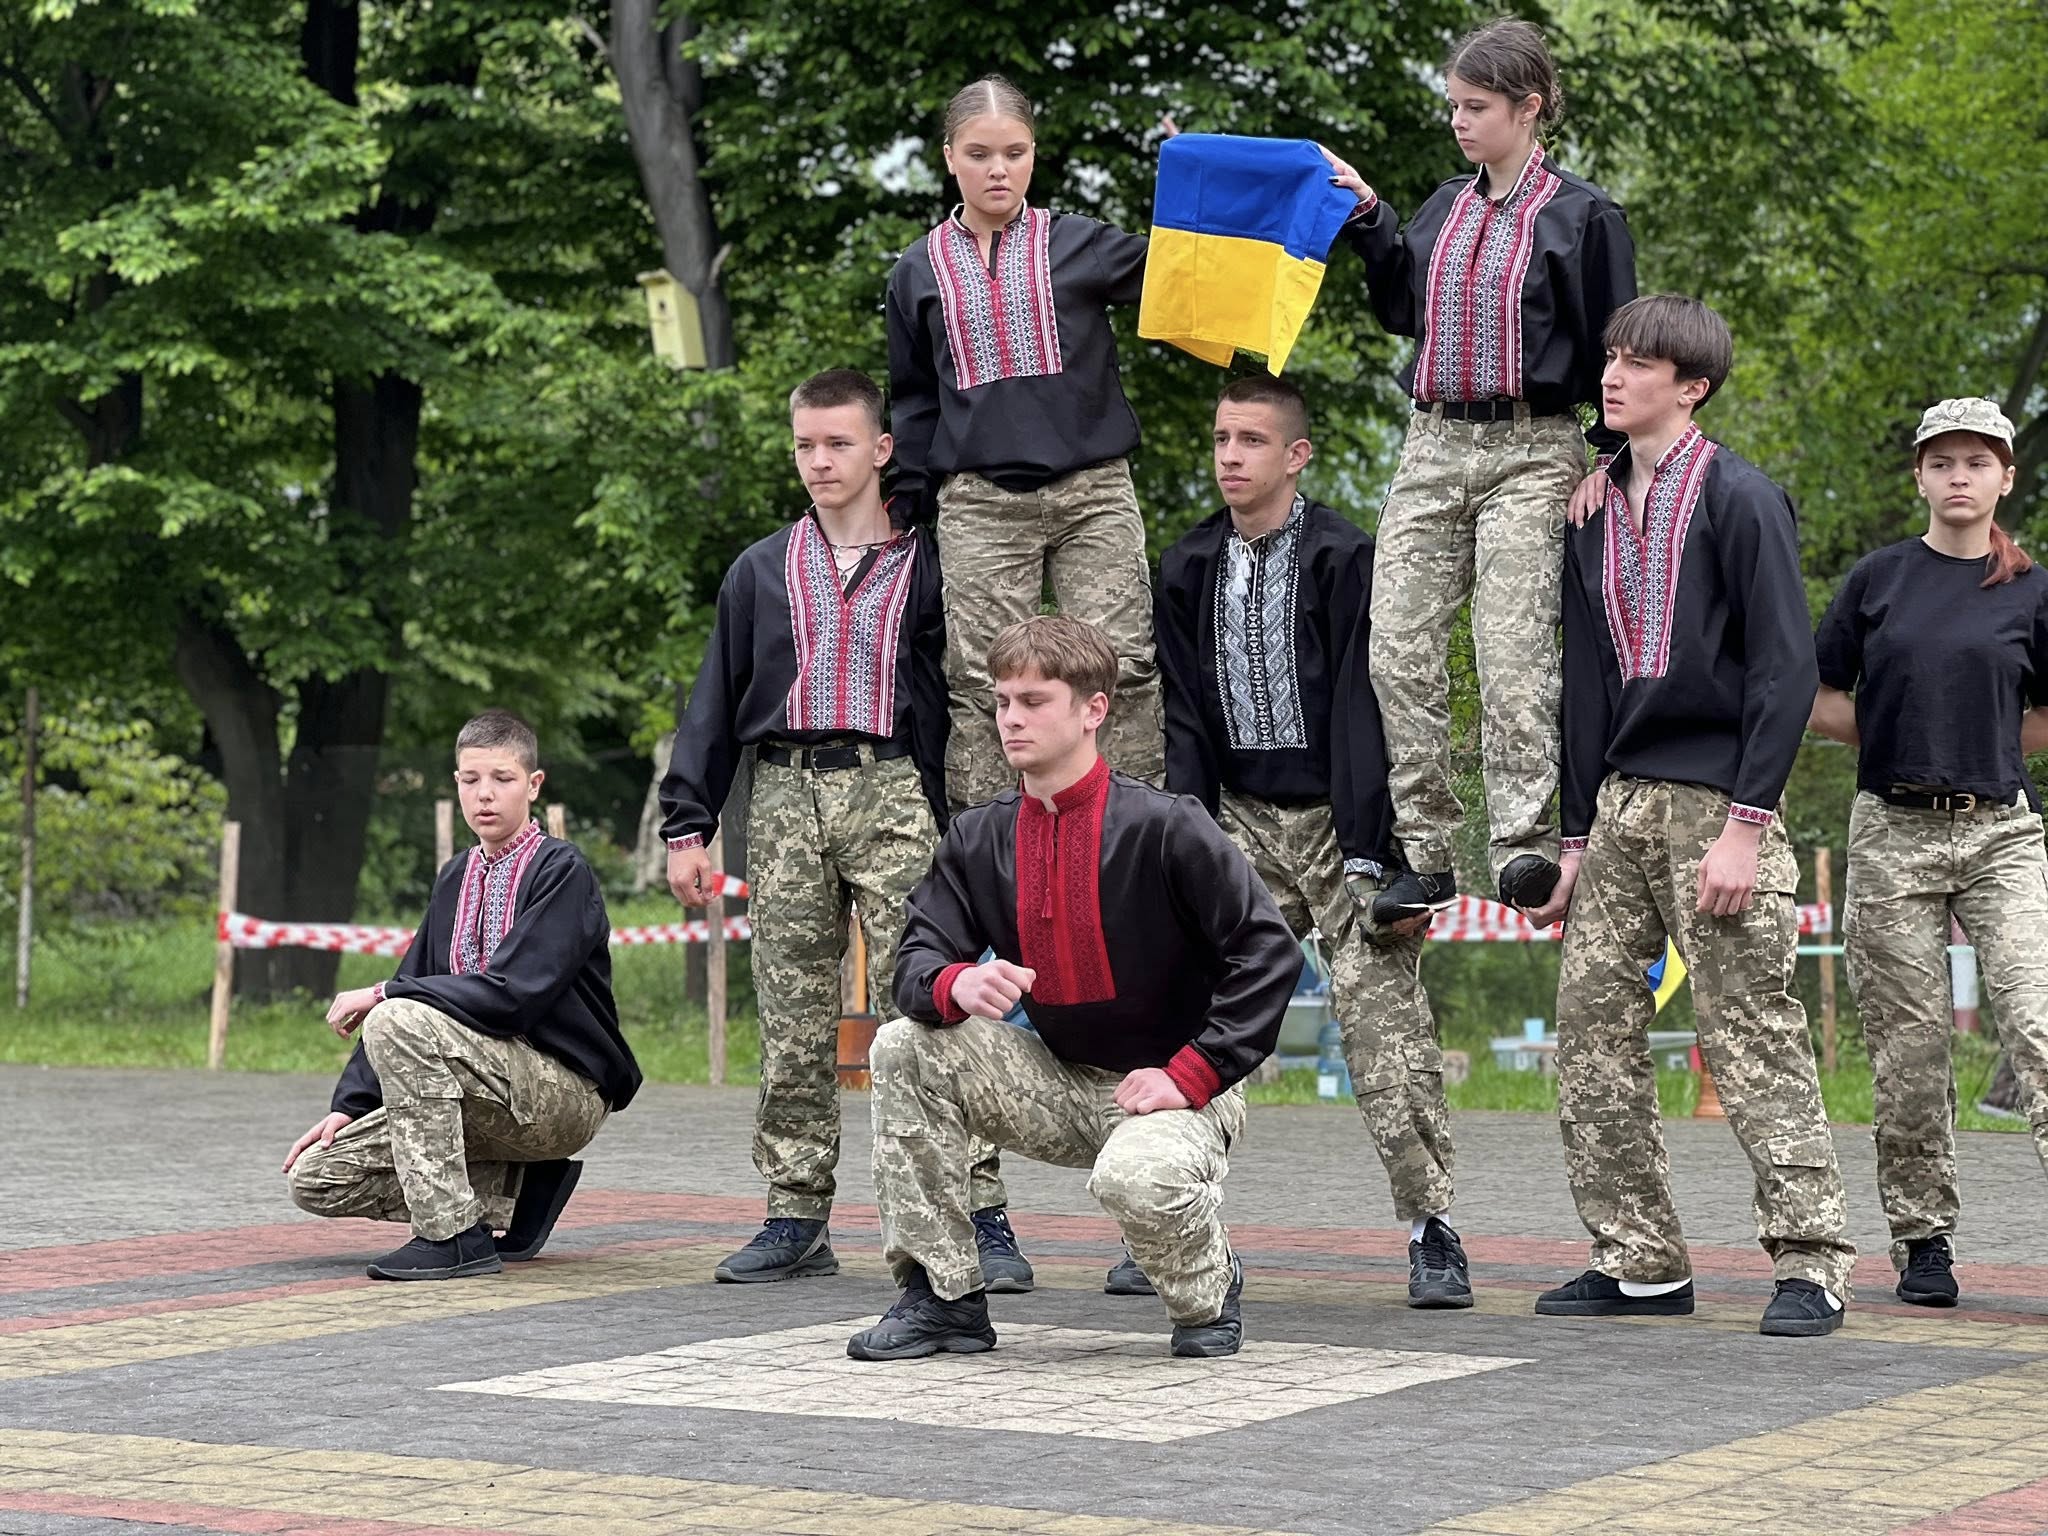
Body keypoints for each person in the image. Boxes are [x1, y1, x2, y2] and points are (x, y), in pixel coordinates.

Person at [1529, 293, 1856, 1337]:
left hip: (1719, 804)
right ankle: (1639, 1260)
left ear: (1693, 387)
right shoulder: (1587, 512)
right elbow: (1586, 686)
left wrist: (1746, 825)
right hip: (1619, 807)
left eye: (1638, 363)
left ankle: (1810, 1263)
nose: (1611, 375)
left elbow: (1784, 670)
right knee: (1589, 1032)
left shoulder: (1740, 497)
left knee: (1749, 1031)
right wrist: (1573, 841)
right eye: (1610, 357)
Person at [660, 369, 1029, 1290]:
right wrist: (687, 825)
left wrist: (979, 817)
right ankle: (795, 1213)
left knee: (930, 998)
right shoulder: (758, 570)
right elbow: (713, 702)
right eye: (804, 445)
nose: (819, 461)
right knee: (791, 1012)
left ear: (881, 449)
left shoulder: (932, 564)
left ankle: (978, 1212)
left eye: (837, 443)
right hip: (783, 794)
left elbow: (968, 699)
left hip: (894, 787)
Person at [846, 616, 1299, 1361]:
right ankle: (943, 1297)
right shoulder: (979, 837)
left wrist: (1191, 1071)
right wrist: (958, 981)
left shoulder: (1168, 826)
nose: (1011, 719)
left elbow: (1268, 953)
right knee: (904, 1046)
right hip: (1055, 1083)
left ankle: (1210, 1284)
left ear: (1094, 710)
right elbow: (915, 960)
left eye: (1034, 701)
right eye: (1002, 702)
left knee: (1138, 1182)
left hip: (1180, 1088)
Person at [1156, 374, 1468, 1308]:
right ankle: (1166, 1217)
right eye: (1221, 438)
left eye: (1252, 440)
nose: (1230, 456)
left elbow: (1372, 708)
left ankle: (1432, 1229)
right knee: (1187, 1010)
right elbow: (1182, 713)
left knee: (1383, 1024)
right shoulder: (1186, 564)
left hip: (1340, 827)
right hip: (1237, 820)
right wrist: (1188, 835)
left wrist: (1385, 848)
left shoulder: (1344, 556)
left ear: (1296, 455)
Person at [1319, 18, 1637, 923]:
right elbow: (1400, 309)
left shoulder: (1586, 215)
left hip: (1533, 446)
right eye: (1454, 105)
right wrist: (1373, 219)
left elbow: (1619, 345)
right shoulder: (1441, 205)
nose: (1459, 121)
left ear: (1528, 108)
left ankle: (1522, 848)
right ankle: (1425, 855)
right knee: (1396, 647)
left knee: (1512, 651)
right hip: (1431, 442)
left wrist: (1612, 459)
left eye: (1477, 106)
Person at [1810, 397, 2048, 1307]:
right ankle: (1923, 1239)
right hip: (1892, 831)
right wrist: (1901, 738)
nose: (1959, 477)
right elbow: (1817, 693)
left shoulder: (2030, 589)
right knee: (1909, 1051)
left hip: (1999, 833)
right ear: (1919, 476)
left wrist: (1978, 745)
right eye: (1942, 461)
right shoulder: (1879, 579)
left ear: (2004, 478)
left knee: (2037, 1026)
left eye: (1977, 462)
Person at [886, 74, 1164, 812]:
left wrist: (1198, 180)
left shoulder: (1081, 244)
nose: (998, 170)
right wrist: (906, 501)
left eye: (1014, 152)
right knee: (984, 683)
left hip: (1093, 494)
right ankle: (988, 849)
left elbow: (1182, 276)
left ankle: (1133, 835)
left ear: (1034, 154)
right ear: (950, 157)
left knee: (1122, 667)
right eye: (979, 154)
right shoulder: (915, 271)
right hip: (979, 504)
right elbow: (913, 398)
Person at [283, 710, 638, 1281]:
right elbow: (417, 974)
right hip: (476, 1091)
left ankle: (452, 1236)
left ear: (534, 785)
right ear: (456, 783)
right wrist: (348, 1107)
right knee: (318, 1176)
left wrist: (381, 993)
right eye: (471, 780)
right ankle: (518, 1193)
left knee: (394, 1016)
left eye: (502, 778)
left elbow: (511, 996)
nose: (485, 794)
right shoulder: (455, 876)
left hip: (562, 1093)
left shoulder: (562, 870)